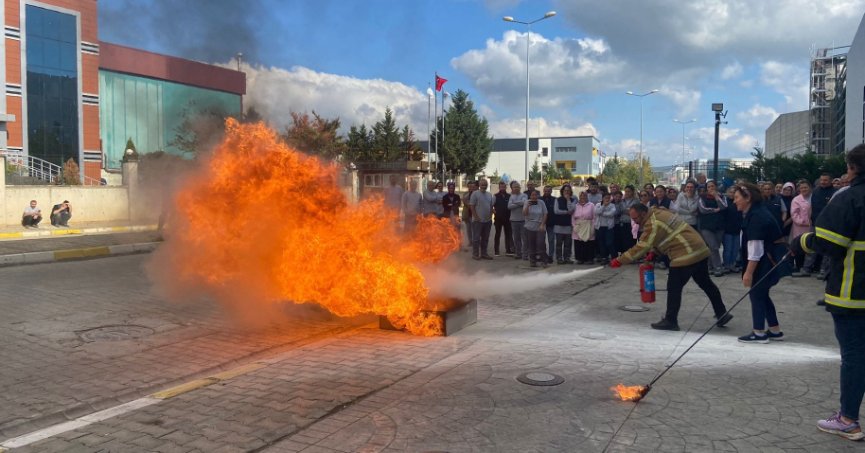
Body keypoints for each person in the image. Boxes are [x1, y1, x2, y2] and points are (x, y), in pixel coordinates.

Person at [792, 144, 865, 441]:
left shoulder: (849, 197)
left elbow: (829, 243)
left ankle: (848, 419)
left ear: (852, 168)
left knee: (855, 356)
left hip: (853, 292)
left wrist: (801, 244)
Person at [611, 204, 733, 331]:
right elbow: (664, 236)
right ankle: (722, 313)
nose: (634, 221)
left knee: (674, 287)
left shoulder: (653, 222)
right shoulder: (659, 213)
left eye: (635, 218)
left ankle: (671, 321)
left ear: (642, 214)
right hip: (700, 250)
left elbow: (642, 246)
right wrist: (655, 252)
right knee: (706, 283)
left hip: (685, 253)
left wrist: (620, 260)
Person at [732, 182, 791, 343]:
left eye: (737, 197)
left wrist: (748, 273)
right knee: (763, 294)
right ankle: (775, 330)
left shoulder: (757, 216)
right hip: (772, 259)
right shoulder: (756, 212)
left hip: (767, 261)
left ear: (748, 198)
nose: (734, 201)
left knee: (756, 294)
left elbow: (755, 250)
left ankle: (758, 333)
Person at [805, 173, 838, 280]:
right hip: (815, 223)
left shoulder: (835, 193)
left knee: (826, 248)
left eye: (825, 180)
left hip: (829, 225)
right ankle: (806, 269)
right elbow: (811, 207)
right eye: (821, 180)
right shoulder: (815, 191)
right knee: (812, 246)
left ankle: (824, 270)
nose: (823, 182)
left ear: (830, 181)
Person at [698, 181, 727, 276]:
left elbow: (723, 207)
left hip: (719, 226)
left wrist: (716, 197)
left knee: (714, 247)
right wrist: (714, 210)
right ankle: (718, 267)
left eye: (713, 186)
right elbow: (702, 209)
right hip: (706, 226)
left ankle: (709, 266)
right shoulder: (702, 198)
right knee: (713, 247)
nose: (711, 188)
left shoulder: (722, 197)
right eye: (709, 187)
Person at [790, 181, 813, 275]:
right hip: (800, 227)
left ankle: (809, 267)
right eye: (802, 188)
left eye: (806, 187)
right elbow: (794, 214)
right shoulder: (796, 199)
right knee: (799, 246)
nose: (804, 189)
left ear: (810, 188)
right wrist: (802, 222)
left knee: (810, 246)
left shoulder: (814, 198)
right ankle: (799, 266)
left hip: (812, 226)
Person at [469, 179, 495, 260]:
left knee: (485, 238)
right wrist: (476, 217)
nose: (484, 186)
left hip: (487, 221)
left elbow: (491, 206)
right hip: (477, 221)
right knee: (476, 239)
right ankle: (475, 254)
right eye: (482, 184)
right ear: (479, 185)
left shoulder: (489, 194)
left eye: (485, 184)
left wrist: (490, 216)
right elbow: (472, 206)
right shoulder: (475, 194)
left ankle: (484, 254)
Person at [522, 189, 549, 267]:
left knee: (540, 243)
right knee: (531, 244)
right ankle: (533, 261)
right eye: (532, 195)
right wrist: (527, 206)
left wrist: (542, 224)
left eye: (535, 195)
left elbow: (545, 214)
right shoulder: (527, 202)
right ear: (530, 196)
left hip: (540, 226)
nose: (534, 197)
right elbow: (524, 214)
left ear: (538, 196)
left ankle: (544, 260)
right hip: (529, 226)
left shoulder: (541, 202)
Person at [553, 184, 576, 264]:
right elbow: (556, 211)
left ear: (570, 191)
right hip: (559, 225)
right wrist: (566, 212)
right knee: (559, 244)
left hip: (568, 225)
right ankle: (559, 258)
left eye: (568, 190)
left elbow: (571, 210)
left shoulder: (573, 200)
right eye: (565, 190)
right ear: (562, 191)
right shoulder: (557, 200)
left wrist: (568, 200)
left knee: (568, 244)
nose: (566, 192)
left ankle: (567, 258)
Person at [572, 191, 596, 265]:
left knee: (589, 242)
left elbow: (594, 217)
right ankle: (580, 259)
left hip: (588, 225)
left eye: (584, 196)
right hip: (578, 226)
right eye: (581, 196)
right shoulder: (575, 205)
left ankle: (589, 258)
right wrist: (574, 226)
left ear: (587, 196)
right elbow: (572, 217)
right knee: (579, 243)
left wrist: (593, 226)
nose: (583, 197)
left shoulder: (591, 205)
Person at [722, 186, 742, 273]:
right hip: (727, 229)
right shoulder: (725, 202)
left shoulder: (739, 202)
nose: (732, 194)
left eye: (734, 192)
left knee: (735, 248)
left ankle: (732, 264)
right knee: (728, 249)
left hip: (737, 229)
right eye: (731, 192)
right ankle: (727, 265)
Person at [594, 192, 616, 264]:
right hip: (599, 227)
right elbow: (596, 212)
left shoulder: (612, 205)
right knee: (601, 243)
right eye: (605, 197)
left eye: (608, 198)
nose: (607, 199)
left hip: (609, 227)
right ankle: (604, 257)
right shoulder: (598, 205)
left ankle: (614, 257)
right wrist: (603, 206)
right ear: (602, 198)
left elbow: (611, 214)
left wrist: (602, 213)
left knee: (609, 243)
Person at [493, 182, 513, 256]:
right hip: (498, 219)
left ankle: (508, 250)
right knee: (497, 234)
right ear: (499, 187)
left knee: (508, 235)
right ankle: (496, 251)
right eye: (501, 187)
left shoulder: (509, 196)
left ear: (506, 187)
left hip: (508, 219)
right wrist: (495, 212)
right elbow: (491, 205)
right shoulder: (495, 196)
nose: (502, 188)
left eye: (504, 187)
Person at [507, 181, 527, 259]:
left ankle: (525, 254)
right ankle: (518, 254)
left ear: (520, 187)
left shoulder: (524, 195)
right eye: (514, 187)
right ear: (512, 188)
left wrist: (514, 203)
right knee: (516, 239)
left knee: (524, 238)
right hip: (514, 221)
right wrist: (519, 203)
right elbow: (509, 207)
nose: (516, 188)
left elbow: (524, 203)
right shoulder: (511, 196)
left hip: (523, 220)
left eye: (517, 187)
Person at [617, 186, 638, 253]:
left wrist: (627, 211)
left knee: (631, 239)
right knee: (623, 239)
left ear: (632, 192)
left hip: (632, 223)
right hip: (623, 222)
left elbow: (636, 211)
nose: (627, 193)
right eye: (626, 191)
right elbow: (619, 210)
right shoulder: (622, 200)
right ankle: (624, 254)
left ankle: (632, 254)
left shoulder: (636, 201)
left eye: (629, 191)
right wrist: (629, 210)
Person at [540, 185, 556, 264]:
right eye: (545, 191)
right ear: (543, 191)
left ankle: (550, 256)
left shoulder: (554, 200)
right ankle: (543, 255)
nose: (547, 192)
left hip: (551, 223)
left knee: (551, 240)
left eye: (548, 191)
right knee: (541, 240)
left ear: (551, 191)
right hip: (541, 223)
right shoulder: (539, 199)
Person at [461, 181, 477, 251]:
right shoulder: (466, 193)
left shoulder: (476, 194)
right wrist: (469, 204)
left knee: (475, 229)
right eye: (469, 186)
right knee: (468, 229)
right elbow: (464, 200)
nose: (471, 188)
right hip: (467, 214)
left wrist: (469, 203)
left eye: (472, 186)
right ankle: (470, 241)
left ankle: (475, 242)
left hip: (474, 213)